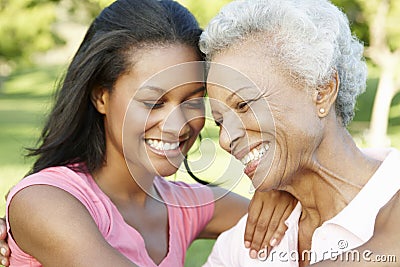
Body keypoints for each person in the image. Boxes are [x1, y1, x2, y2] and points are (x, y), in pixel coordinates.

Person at [2, 0, 297, 266]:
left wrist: (281, 190)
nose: (177, 123)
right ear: (101, 97)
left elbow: (308, 221)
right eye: (153, 102)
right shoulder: (44, 201)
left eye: (193, 99)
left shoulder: (183, 207)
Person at [199, 0, 400, 266]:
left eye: (244, 105)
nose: (225, 139)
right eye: (221, 122)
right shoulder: (245, 242)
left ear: (322, 90)